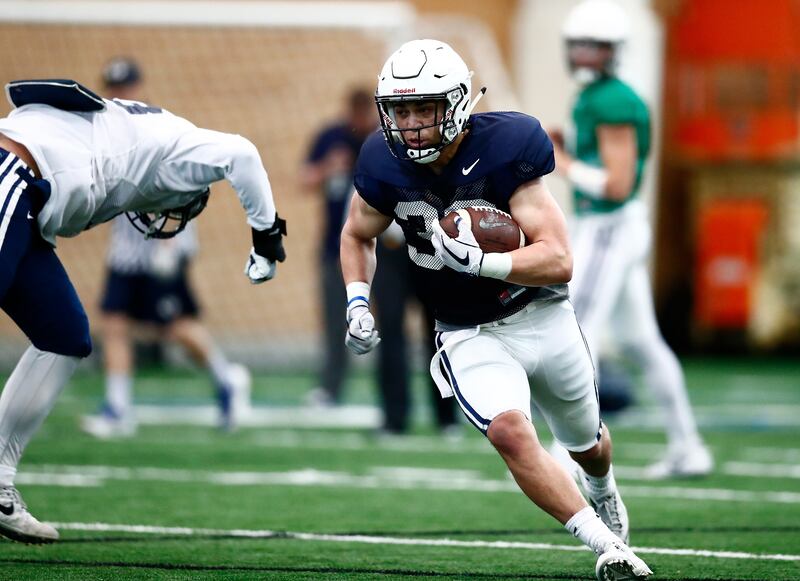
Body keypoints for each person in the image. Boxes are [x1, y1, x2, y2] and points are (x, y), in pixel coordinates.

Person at [339, 39, 652, 580]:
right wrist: (357, 301)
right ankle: (607, 546)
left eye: (424, 109)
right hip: (466, 331)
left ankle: (602, 489)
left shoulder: (508, 144)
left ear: (458, 103)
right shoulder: (379, 161)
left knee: (590, 447)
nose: (410, 124)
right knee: (509, 431)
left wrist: (482, 263)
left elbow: (558, 258)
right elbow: (356, 234)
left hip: (541, 314)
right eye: (401, 110)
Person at [0, 77, 286, 543]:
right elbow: (243, 154)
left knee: (65, 335)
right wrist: (266, 239)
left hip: (29, 198)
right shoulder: (178, 155)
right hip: (11, 173)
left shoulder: (142, 134)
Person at [550, 0, 712, 479]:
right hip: (611, 228)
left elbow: (617, 184)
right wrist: (569, 149)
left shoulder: (612, 100)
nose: (582, 55)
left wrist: (559, 161)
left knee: (578, 331)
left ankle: (572, 454)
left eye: (592, 47)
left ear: (612, 52)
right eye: (577, 45)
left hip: (610, 227)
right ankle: (689, 446)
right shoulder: (597, 96)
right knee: (642, 341)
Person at [81, 57, 251, 438]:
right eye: (113, 86)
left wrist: (172, 245)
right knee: (114, 324)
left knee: (176, 328)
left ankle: (226, 379)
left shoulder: (153, 128)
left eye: (125, 87)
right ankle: (118, 408)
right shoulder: (103, 131)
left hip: (161, 244)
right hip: (125, 251)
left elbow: (178, 188)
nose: (118, 94)